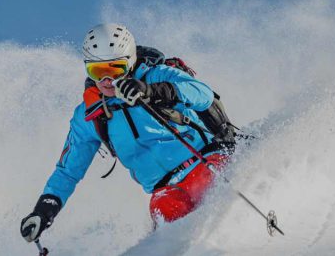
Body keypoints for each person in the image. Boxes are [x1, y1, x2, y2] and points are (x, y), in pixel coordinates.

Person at [19, 23, 232, 243]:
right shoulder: (90, 115)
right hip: (166, 190)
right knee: (167, 218)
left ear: (130, 61)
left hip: (204, 162)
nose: (107, 81)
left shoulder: (156, 75)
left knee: (209, 190)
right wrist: (44, 211)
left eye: (115, 69)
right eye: (97, 72)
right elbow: (68, 171)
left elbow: (203, 93)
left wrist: (151, 91)